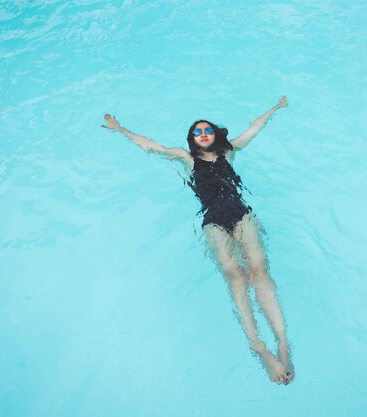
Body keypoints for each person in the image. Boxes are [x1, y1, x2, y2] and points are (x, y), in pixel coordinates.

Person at [102, 96, 294, 384]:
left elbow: (255, 127)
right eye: (197, 131)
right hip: (213, 222)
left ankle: (281, 343)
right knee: (235, 277)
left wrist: (274, 109)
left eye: (207, 130)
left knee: (258, 271)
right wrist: (121, 130)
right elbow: (151, 145)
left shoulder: (229, 152)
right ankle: (258, 345)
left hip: (241, 216)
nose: (203, 134)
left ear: (215, 135)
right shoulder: (185, 157)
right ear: (191, 139)